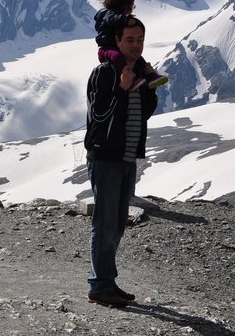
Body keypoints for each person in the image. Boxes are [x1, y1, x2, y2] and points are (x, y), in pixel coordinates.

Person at [84, 15, 159, 307]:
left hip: (127, 157)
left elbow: (143, 113)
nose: (136, 45)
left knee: (117, 223)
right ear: (117, 40)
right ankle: (99, 285)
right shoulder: (104, 73)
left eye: (139, 39)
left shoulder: (137, 72)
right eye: (129, 39)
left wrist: (148, 86)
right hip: (106, 157)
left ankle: (106, 282)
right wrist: (121, 88)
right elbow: (98, 115)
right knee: (105, 222)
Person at [94, 0, 168, 90]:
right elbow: (112, 19)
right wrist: (126, 19)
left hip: (117, 48)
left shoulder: (116, 15)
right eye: (129, 7)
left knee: (139, 60)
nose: (130, 10)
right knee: (118, 58)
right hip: (107, 50)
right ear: (121, 5)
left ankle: (151, 77)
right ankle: (130, 79)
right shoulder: (108, 13)